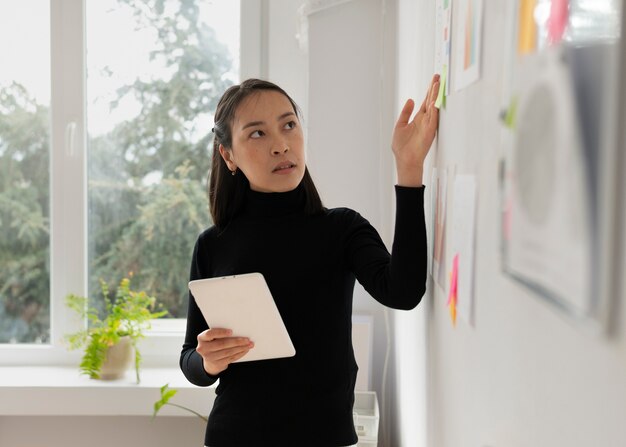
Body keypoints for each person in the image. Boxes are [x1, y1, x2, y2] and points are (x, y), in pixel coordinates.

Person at [180, 76, 440, 447]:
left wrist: (409, 170)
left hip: (324, 437)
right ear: (228, 155)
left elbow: (403, 292)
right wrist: (208, 360)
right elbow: (191, 359)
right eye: (257, 134)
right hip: (234, 435)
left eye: (288, 125)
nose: (281, 145)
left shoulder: (342, 228)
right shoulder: (212, 244)